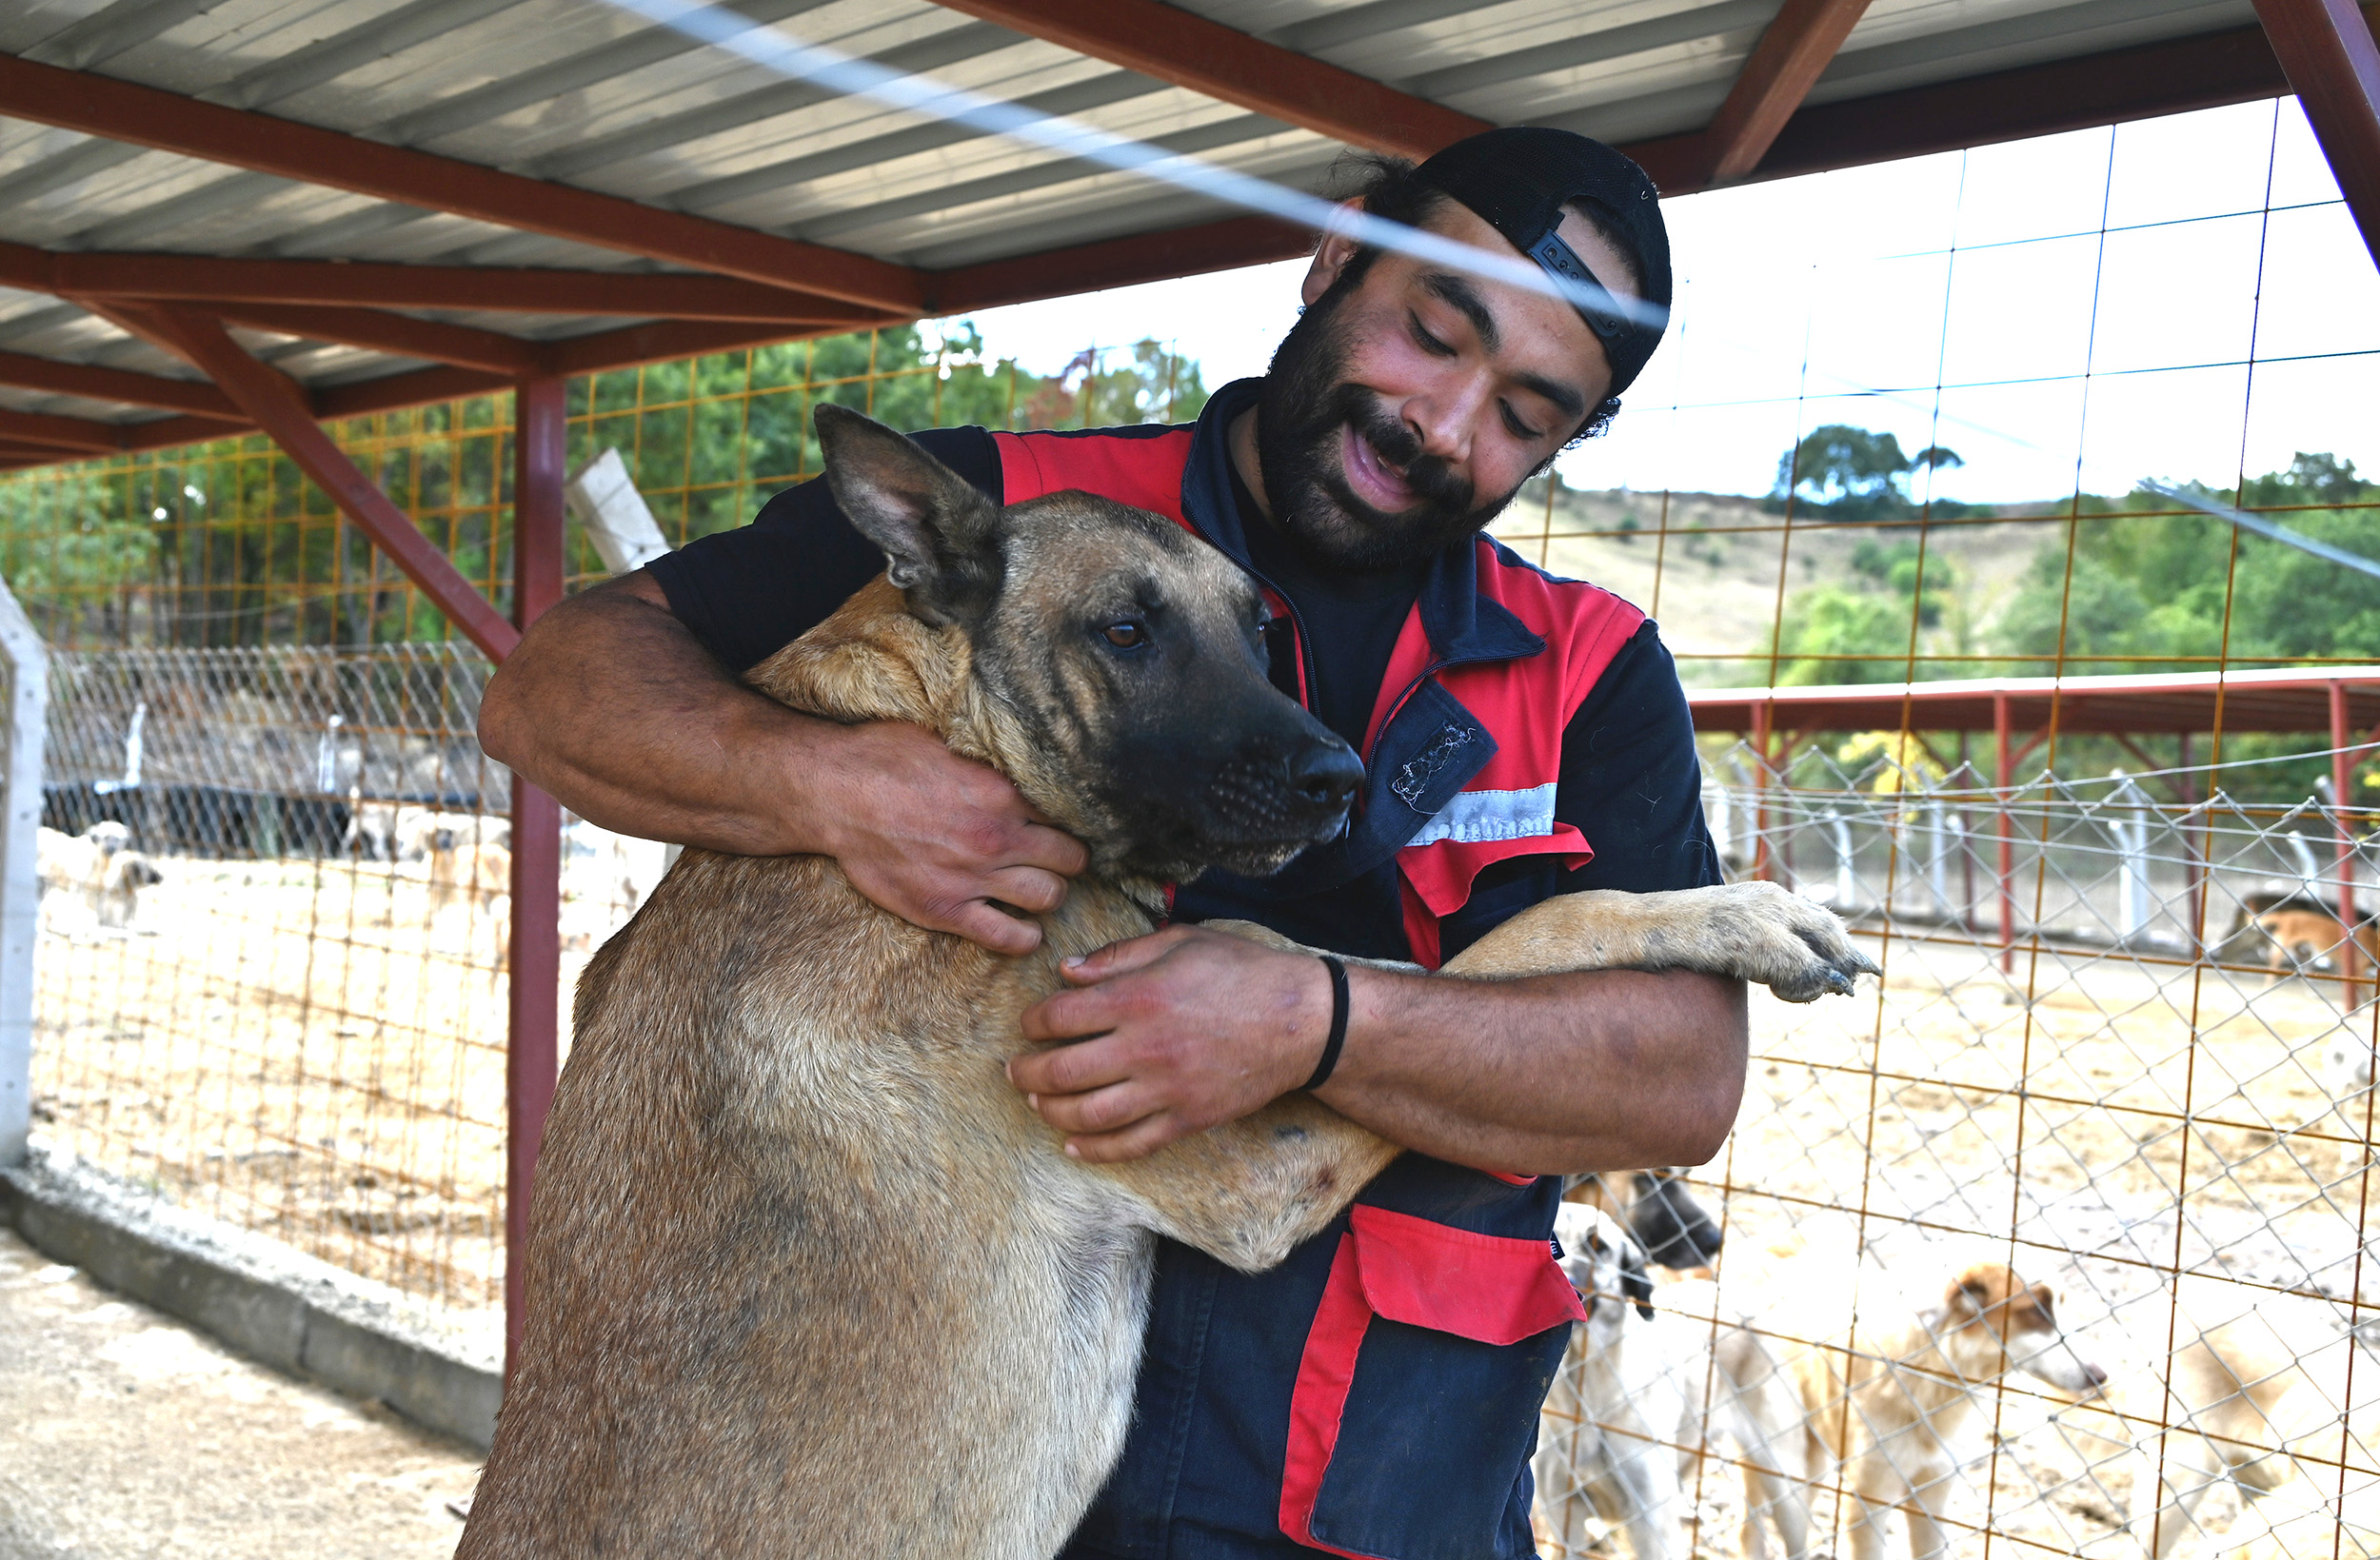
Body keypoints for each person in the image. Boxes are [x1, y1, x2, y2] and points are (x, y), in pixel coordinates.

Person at [481, 127, 1745, 1559]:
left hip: (1381, 1499)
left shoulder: (1590, 671)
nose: (1445, 424)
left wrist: (1318, 1024)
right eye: (1434, 334)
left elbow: (1682, 1076)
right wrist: (828, 785)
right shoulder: (1009, 515)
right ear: (1338, 255)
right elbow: (554, 688)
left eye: (1524, 413)